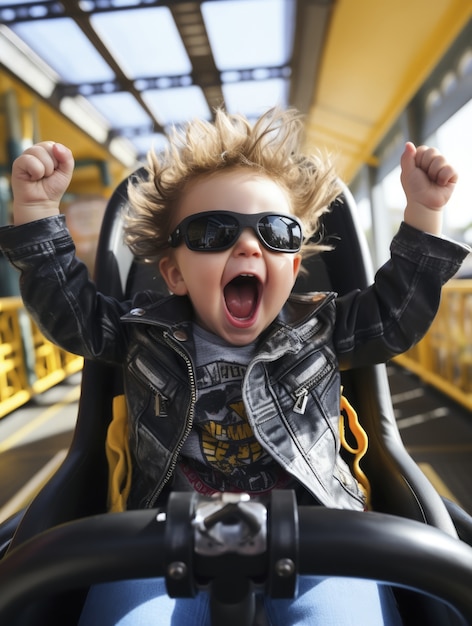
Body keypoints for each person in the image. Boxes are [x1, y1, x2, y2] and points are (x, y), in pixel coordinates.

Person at [0, 108, 468, 625]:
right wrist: (38, 213)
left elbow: (394, 317)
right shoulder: (140, 333)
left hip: (317, 531)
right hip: (162, 533)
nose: (247, 244)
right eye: (212, 232)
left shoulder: (325, 325)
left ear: (292, 268)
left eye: (275, 232)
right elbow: (73, 316)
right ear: (174, 273)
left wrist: (424, 214)